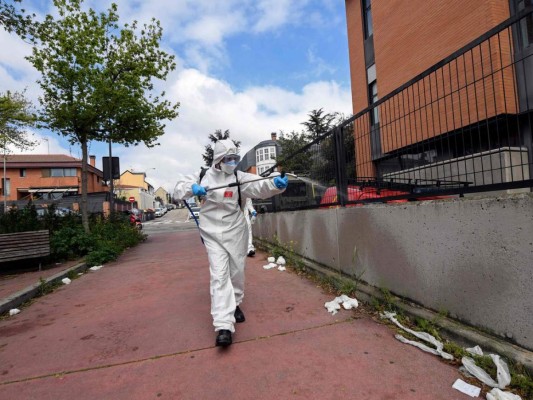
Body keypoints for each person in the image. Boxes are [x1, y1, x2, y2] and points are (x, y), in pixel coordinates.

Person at [173, 139, 288, 347]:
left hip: (235, 231)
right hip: (212, 233)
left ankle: (235, 303)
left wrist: (274, 185)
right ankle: (223, 325)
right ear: (218, 159)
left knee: (236, 272)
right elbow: (178, 189)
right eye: (228, 158)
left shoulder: (239, 177)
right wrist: (193, 188)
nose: (232, 162)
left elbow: (259, 184)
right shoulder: (203, 176)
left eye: (235, 158)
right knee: (219, 275)